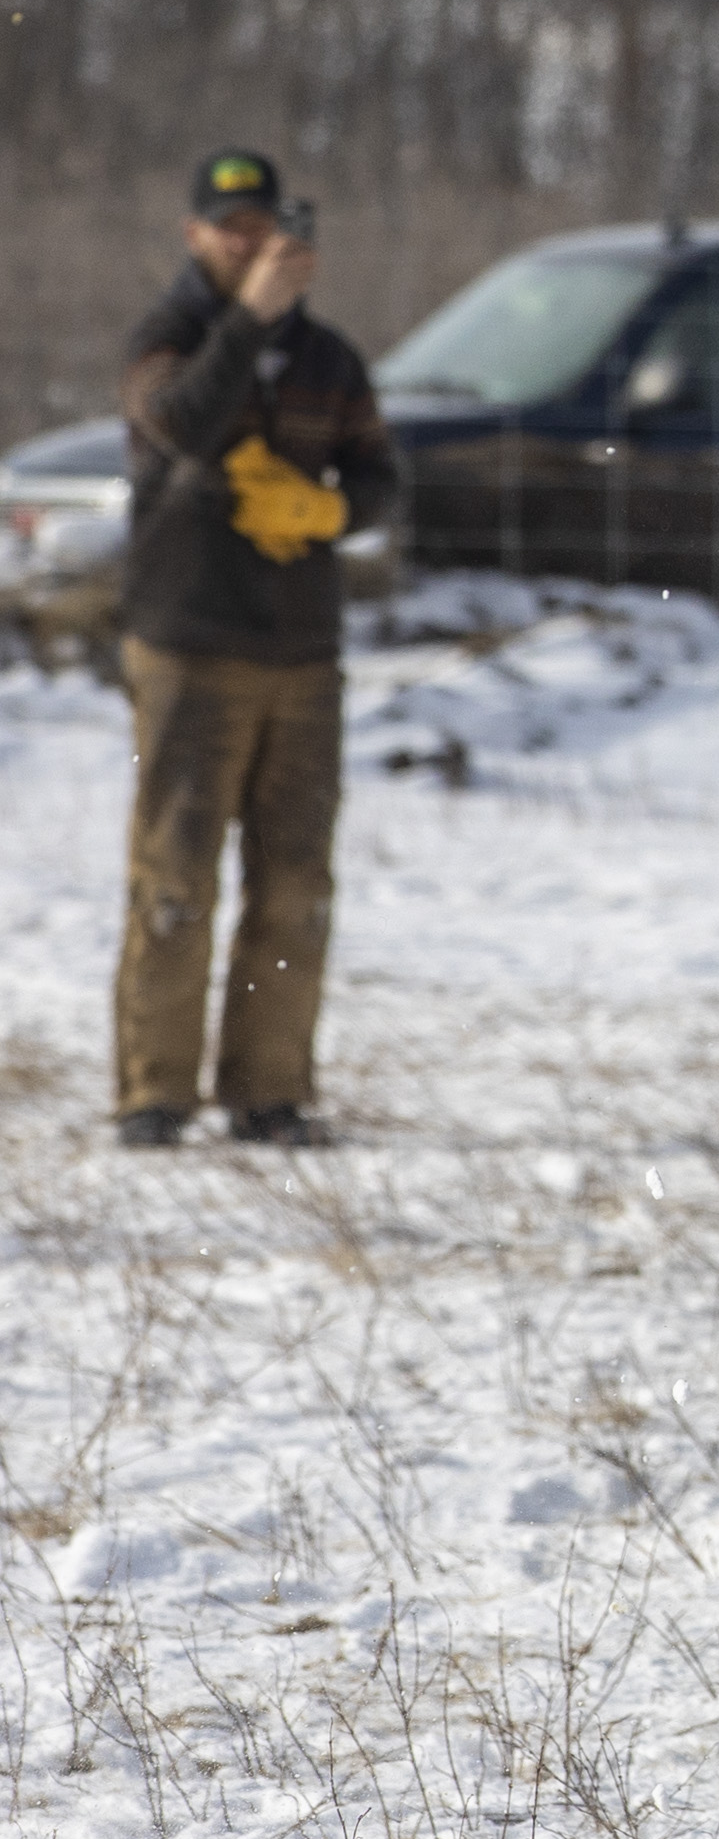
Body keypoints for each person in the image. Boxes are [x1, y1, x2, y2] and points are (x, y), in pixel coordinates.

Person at [110, 148, 397, 1149]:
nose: (246, 240)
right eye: (228, 225)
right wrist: (248, 320)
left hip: (302, 651)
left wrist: (328, 506)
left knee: (294, 881)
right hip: (188, 643)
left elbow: (380, 480)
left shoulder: (331, 360)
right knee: (177, 875)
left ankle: (268, 1090)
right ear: (197, 234)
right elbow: (180, 418)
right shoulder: (169, 336)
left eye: (261, 225)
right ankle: (155, 1092)